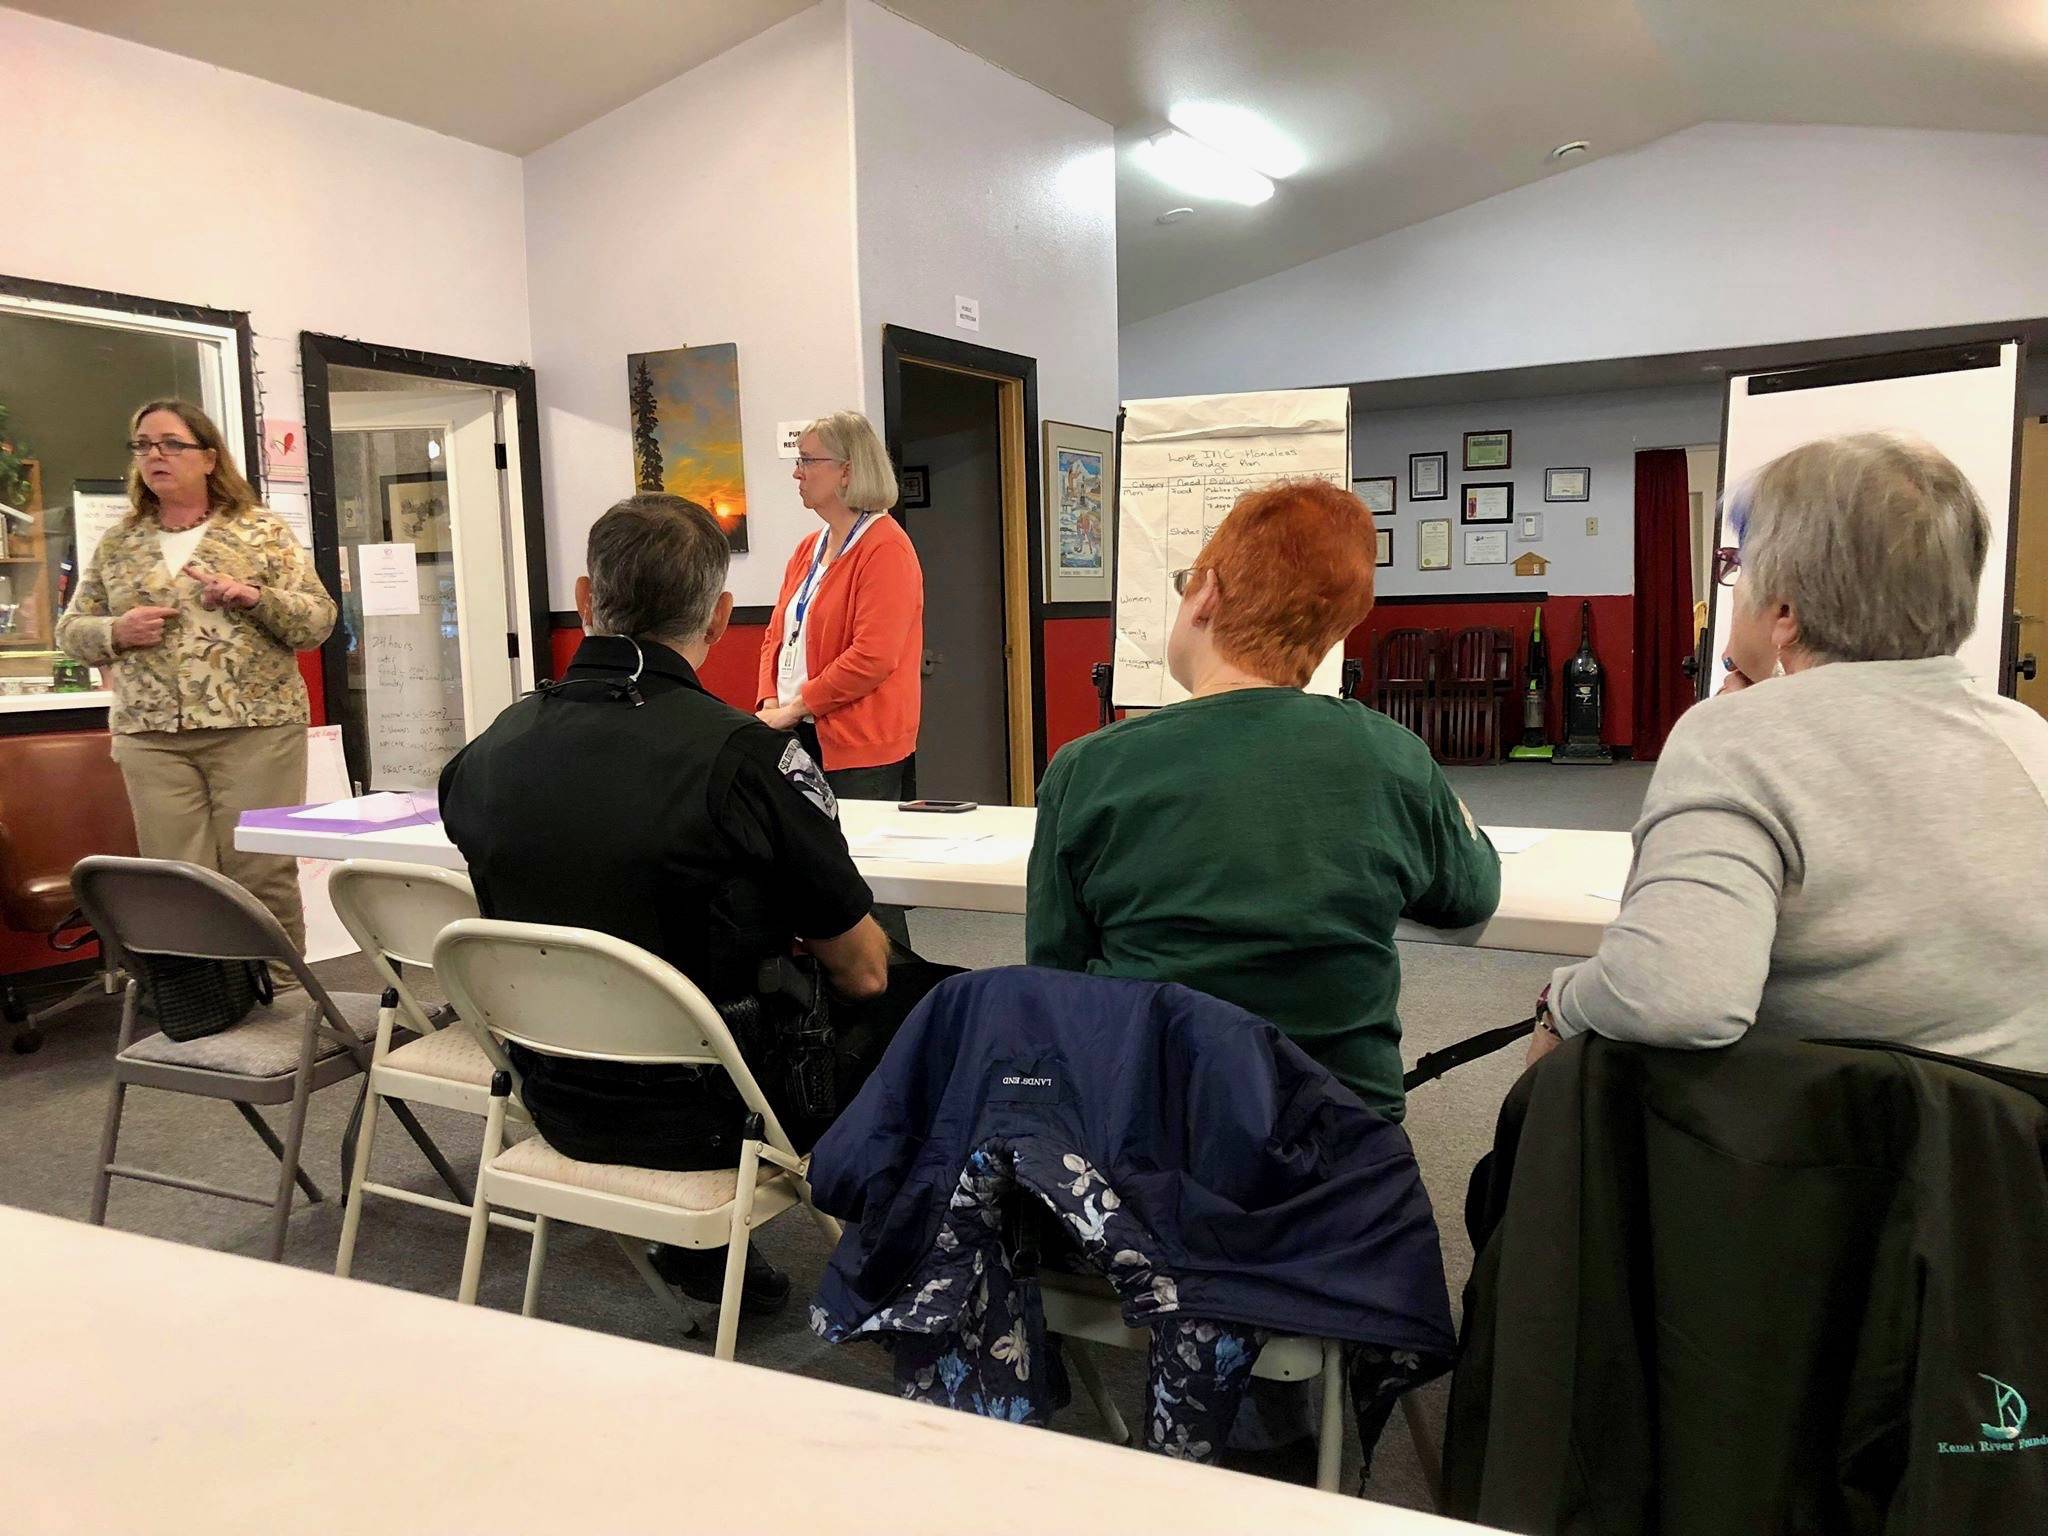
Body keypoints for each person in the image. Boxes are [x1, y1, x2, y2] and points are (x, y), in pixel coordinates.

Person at [440, 492, 954, 1313]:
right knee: (948, 1002)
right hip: (720, 1110)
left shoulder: (484, 755)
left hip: (554, 1094)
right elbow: (860, 974)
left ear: (584, 599)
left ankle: (716, 1265)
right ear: (720, 617)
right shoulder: (747, 760)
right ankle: (924, 1280)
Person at [1529, 433, 2048, 1072]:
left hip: (1820, 1145)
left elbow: (1673, 996)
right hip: (2010, 1148)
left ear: (1785, 612)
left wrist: (1562, 1001)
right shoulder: (2028, 735)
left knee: (1566, 1069)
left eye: (1737, 568)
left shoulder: (1733, 738)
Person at [1027, 478, 1502, 1124]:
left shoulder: (1088, 770)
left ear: (1207, 595)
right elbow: (1469, 893)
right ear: (1333, 633)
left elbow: (1054, 978)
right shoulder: (1392, 757)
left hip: (1151, 1139)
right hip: (1343, 1157)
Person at [56, 399, 336, 970]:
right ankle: (210, 1000)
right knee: (179, 877)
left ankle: (283, 995)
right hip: (151, 735)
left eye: (171, 443)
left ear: (209, 458)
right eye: (142, 445)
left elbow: (317, 622)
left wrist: (254, 597)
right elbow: (71, 630)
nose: (154, 455)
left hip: (254, 729)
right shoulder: (120, 541)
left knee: (260, 869)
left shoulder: (260, 532)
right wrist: (116, 630)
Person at [756, 411, 923, 945]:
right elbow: (776, 635)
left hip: (858, 744)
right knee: (805, 872)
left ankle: (891, 997)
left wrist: (797, 705)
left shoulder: (885, 547)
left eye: (808, 460)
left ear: (847, 471)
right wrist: (769, 702)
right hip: (793, 729)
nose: (797, 472)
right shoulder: (808, 549)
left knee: (865, 885)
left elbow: (874, 656)